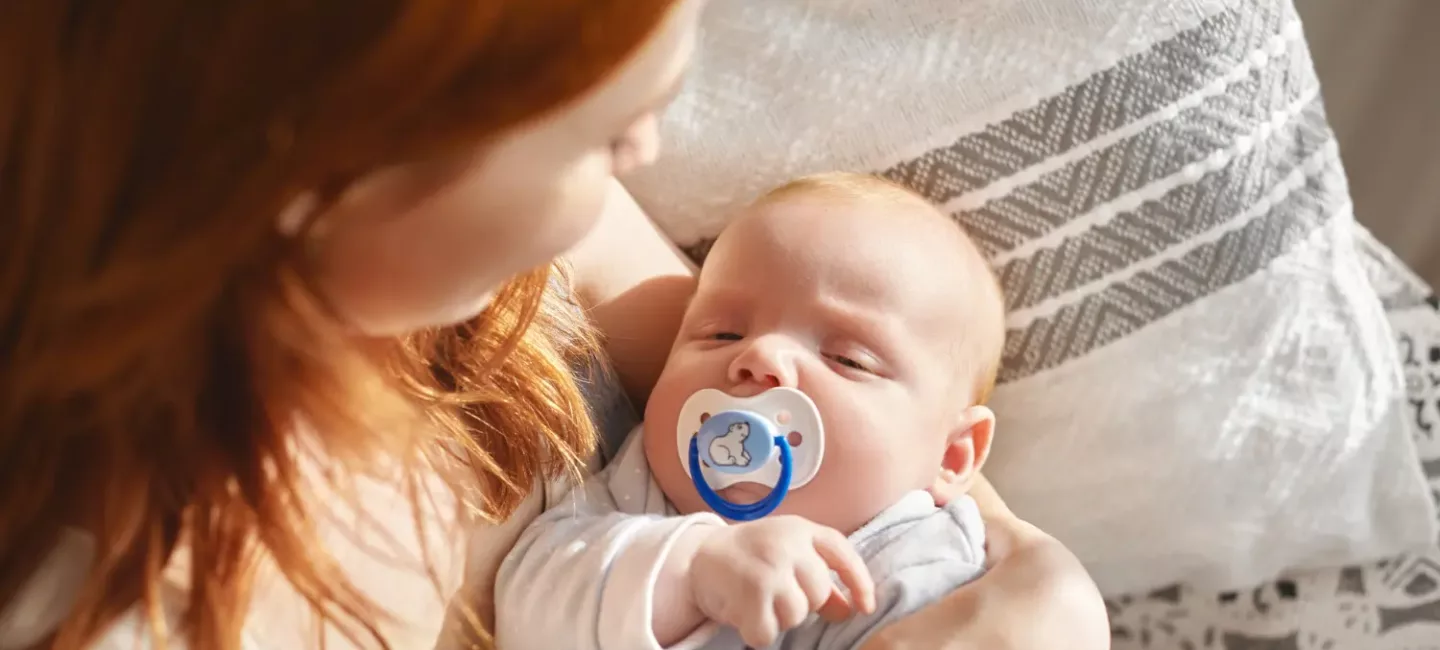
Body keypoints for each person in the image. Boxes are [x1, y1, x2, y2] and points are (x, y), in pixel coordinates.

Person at [0, 2, 1105, 650]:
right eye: (612, 137)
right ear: (334, 172)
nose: (646, 167)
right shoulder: (134, 604)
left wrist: (1027, 595)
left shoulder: (507, 260)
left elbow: (870, 419)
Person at [498, 173, 1006, 650]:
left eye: (847, 358)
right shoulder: (635, 495)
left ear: (953, 456)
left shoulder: (925, 569)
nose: (760, 358)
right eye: (723, 333)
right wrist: (688, 570)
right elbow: (524, 607)